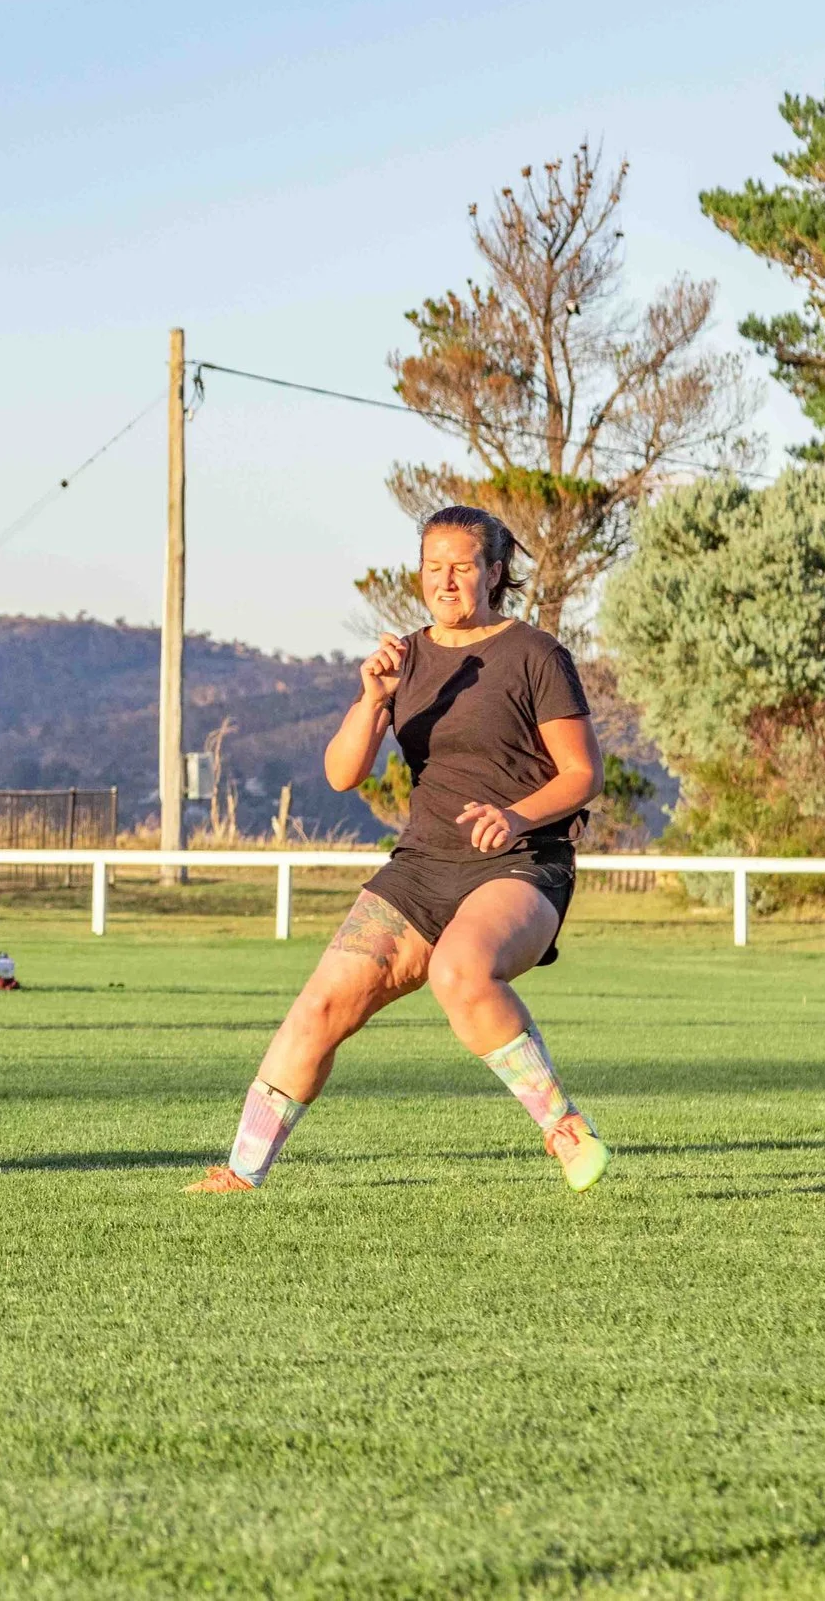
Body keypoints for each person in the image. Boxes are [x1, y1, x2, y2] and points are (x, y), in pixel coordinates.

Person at [185, 505, 609, 1195]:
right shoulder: (403, 658)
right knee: (319, 1007)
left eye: (463, 566)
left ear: (494, 572)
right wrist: (371, 698)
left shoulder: (535, 654)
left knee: (459, 970)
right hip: (421, 869)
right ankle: (240, 1173)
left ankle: (565, 1130)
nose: (446, 580)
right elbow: (341, 774)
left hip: (521, 862)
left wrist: (512, 814)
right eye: (433, 566)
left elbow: (583, 773)